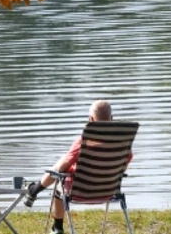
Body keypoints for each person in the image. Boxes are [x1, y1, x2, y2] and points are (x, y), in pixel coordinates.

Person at [23, 100, 133, 234]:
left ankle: (56, 226)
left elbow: (63, 167)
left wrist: (63, 170)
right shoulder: (122, 143)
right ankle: (35, 190)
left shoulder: (84, 140)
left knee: (60, 180)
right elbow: (123, 166)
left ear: (91, 119)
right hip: (109, 192)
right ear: (111, 119)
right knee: (65, 162)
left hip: (80, 192)